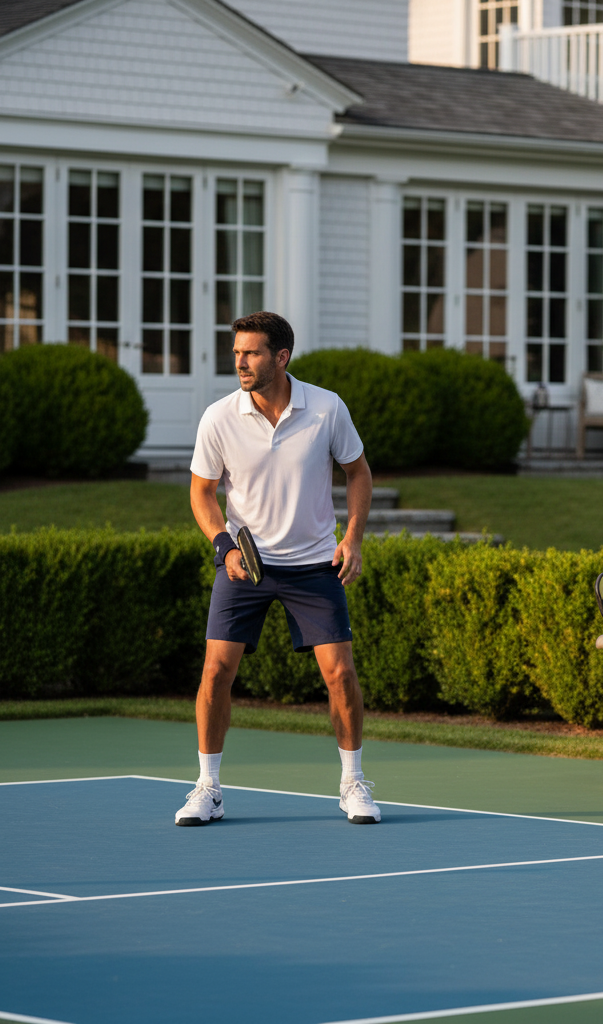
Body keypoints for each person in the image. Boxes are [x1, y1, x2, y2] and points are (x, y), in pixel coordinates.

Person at [174, 311, 380, 827]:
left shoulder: (327, 408)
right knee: (216, 671)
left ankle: (353, 782)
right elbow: (201, 491)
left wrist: (352, 537)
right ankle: (208, 788)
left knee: (340, 674)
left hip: (314, 566)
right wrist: (224, 547)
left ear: (281, 357)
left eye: (251, 353)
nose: (239, 362)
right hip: (244, 567)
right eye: (237, 352)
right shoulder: (218, 417)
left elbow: (357, 472)